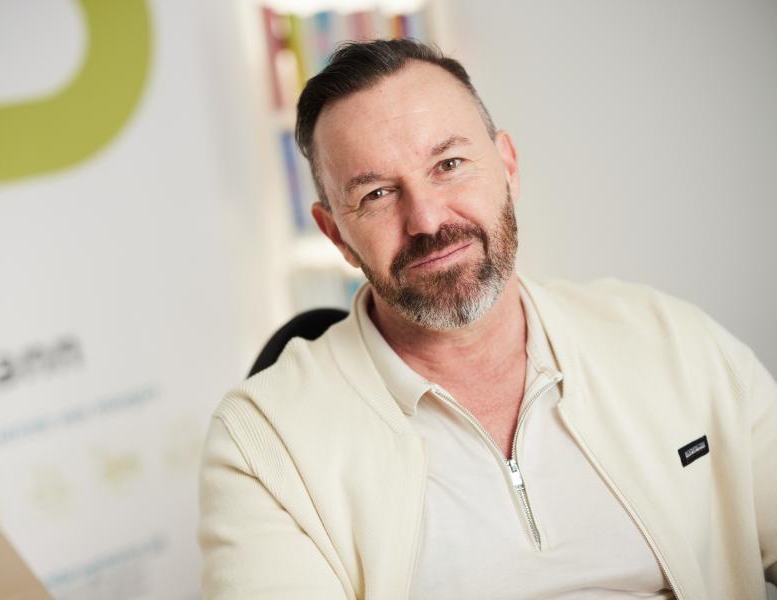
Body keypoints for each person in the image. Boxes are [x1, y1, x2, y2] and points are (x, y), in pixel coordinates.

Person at [198, 39, 777, 599]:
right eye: (376, 194)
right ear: (337, 236)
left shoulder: (672, 341)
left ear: (508, 167)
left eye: (448, 164)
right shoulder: (263, 443)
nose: (427, 220)